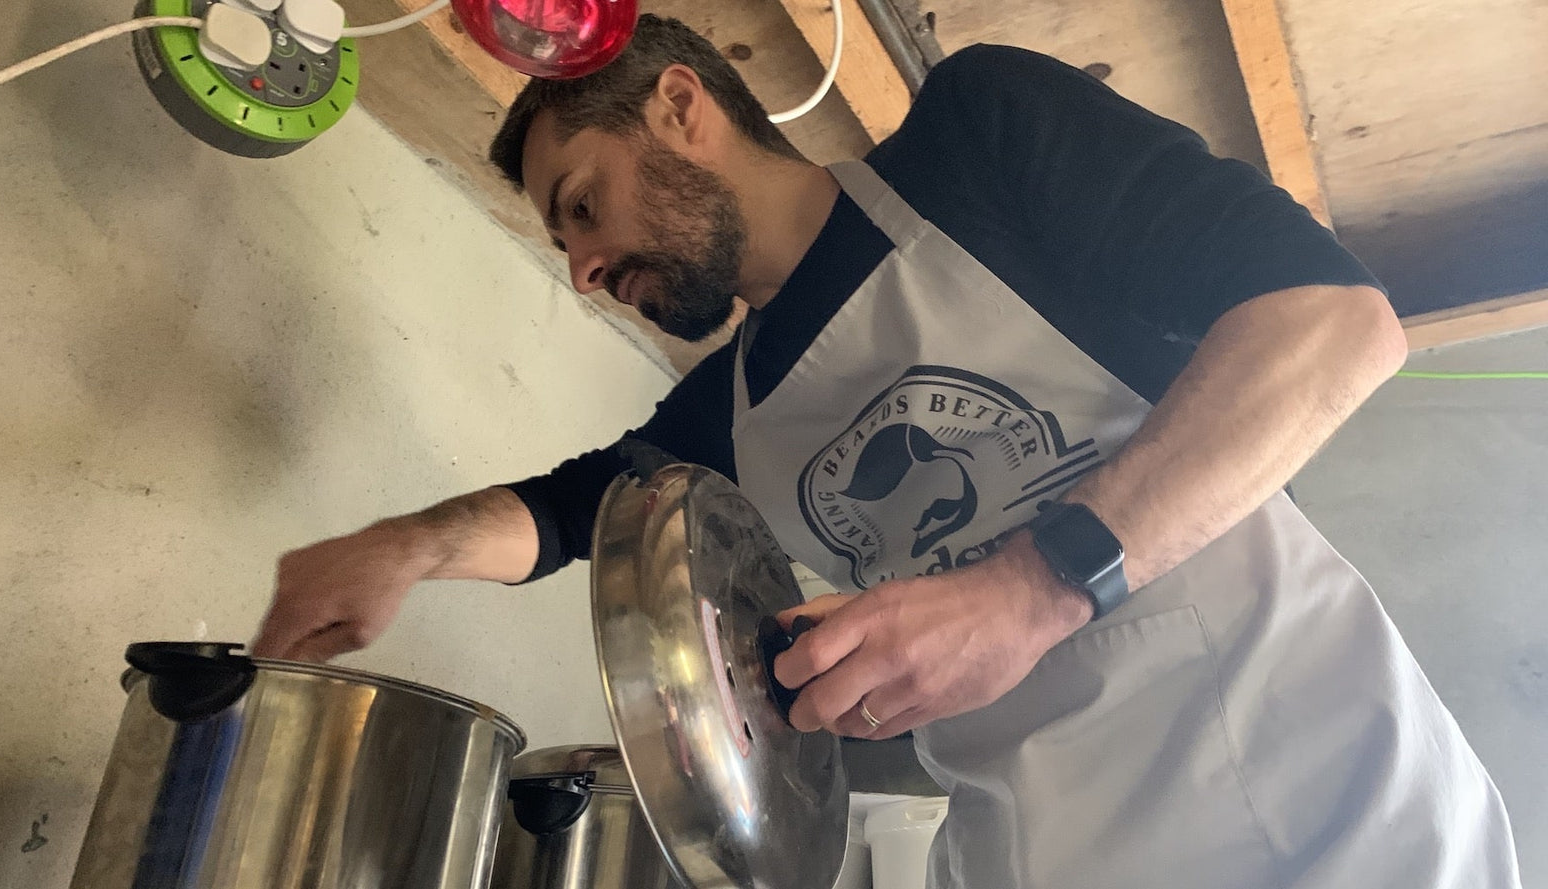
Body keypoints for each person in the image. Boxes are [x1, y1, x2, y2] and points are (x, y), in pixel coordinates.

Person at [252, 15, 1521, 888]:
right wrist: (402, 548)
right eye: (565, 249)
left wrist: (1033, 586)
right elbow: (579, 508)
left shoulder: (978, 139)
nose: (584, 270)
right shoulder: (730, 420)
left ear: (682, 108)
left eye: (581, 203)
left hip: (1325, 821)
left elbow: (1333, 327)